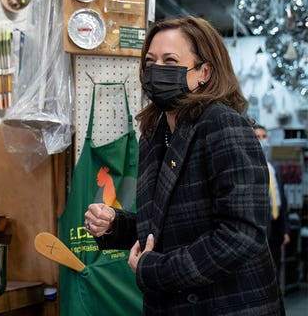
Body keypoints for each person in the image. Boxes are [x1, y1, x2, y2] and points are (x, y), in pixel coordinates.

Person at [83, 16, 284, 315]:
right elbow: (168, 224)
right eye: (150, 62)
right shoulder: (154, 133)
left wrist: (156, 269)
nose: (156, 71)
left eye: (170, 60)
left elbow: (241, 235)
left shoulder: (223, 125)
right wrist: (116, 225)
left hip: (229, 305)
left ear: (204, 71)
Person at [253, 124, 291, 275]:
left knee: (276, 268)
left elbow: (282, 200)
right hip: (261, 228)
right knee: (263, 271)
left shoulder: (274, 167)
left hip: (276, 226)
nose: (262, 140)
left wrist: (285, 229)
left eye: (264, 136)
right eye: (257, 137)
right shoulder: (251, 168)